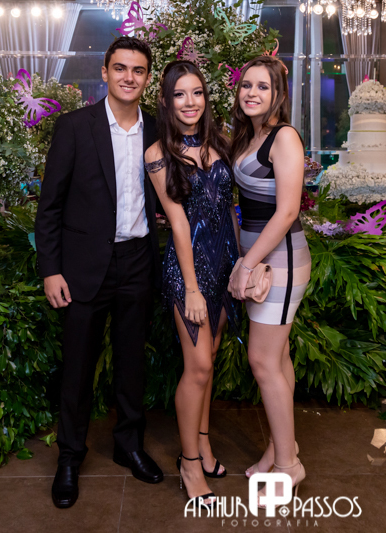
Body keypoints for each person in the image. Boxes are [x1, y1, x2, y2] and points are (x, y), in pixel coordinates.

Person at [35, 36, 164, 510]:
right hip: (83, 267)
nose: (129, 77)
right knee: (78, 368)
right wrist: (51, 271)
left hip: (138, 261)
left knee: (131, 364)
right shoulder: (75, 127)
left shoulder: (158, 129)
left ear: (147, 78)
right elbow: (49, 207)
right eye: (121, 68)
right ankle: (70, 456)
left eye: (138, 70)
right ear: (105, 72)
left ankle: (129, 445)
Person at [144, 60, 239, 511]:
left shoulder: (220, 142)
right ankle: (188, 463)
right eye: (180, 94)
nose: (190, 102)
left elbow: (230, 209)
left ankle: (202, 443)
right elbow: (179, 223)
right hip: (189, 269)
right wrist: (194, 287)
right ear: (165, 101)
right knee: (198, 367)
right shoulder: (158, 153)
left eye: (197, 92)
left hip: (223, 264)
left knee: (211, 359)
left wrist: (240, 267)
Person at [228, 56, 309, 503]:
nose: (252, 93)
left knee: (262, 362)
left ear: (278, 93)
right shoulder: (249, 134)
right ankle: (281, 448)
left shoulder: (284, 137)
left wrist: (246, 264)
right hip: (259, 257)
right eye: (246, 85)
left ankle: (287, 467)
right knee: (277, 360)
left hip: (280, 260)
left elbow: (288, 210)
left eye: (262, 86)